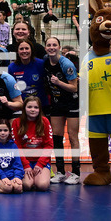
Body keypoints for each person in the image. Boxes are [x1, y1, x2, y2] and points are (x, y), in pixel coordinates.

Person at [43, 37, 80, 184]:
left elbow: (74, 87)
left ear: (59, 47)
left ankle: (76, 173)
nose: (51, 47)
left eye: (54, 45)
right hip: (57, 103)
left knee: (72, 137)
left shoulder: (66, 64)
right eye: (49, 45)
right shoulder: (46, 61)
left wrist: (58, 82)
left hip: (71, 103)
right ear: (46, 48)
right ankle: (60, 171)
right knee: (57, 137)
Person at [12, 96, 52, 192]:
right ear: (24, 108)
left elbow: (49, 146)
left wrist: (40, 164)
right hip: (24, 161)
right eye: (29, 107)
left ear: (39, 109)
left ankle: (39, 178)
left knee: (42, 186)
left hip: (40, 161)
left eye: (36, 107)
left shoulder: (45, 121)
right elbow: (16, 146)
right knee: (26, 185)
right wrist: (26, 165)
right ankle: (32, 179)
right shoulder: (16, 122)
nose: (32, 110)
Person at [0, 122, 24, 194]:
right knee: (8, 188)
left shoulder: (13, 145)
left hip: (11, 175)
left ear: (9, 132)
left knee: (18, 188)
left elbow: (18, 164)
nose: (2, 133)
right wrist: (2, 176)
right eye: (0, 130)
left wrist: (17, 176)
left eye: (5, 130)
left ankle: (11, 186)